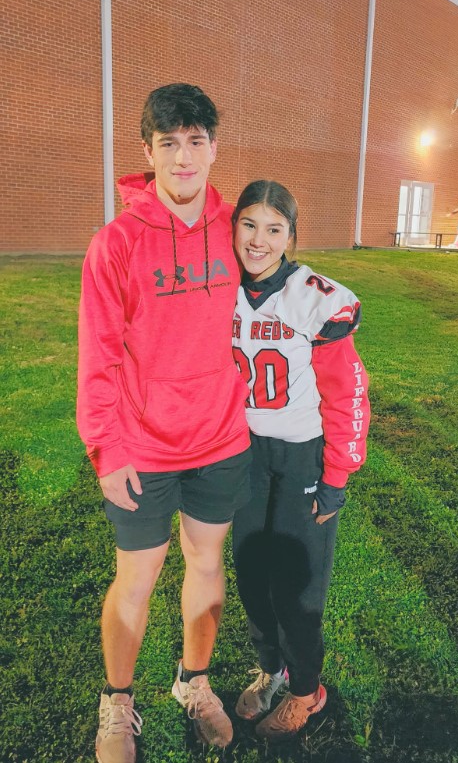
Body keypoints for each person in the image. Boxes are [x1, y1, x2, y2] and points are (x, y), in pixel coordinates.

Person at [77, 83, 252, 762]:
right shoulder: (116, 242)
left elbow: (276, 304)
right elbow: (97, 353)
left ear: (214, 146)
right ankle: (117, 700)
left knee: (207, 565)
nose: (184, 157)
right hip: (142, 444)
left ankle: (192, 681)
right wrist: (106, 445)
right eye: (169, 143)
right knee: (138, 575)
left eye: (196, 140)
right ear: (147, 151)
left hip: (220, 438)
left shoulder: (238, 225)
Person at [230, 180, 371, 740]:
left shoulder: (316, 298)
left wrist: (336, 475)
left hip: (300, 456)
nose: (258, 240)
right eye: (248, 225)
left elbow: (348, 392)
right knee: (249, 575)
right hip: (241, 455)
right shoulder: (220, 287)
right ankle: (271, 668)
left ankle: (308, 690)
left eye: (273, 228)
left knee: (296, 585)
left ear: (291, 235)